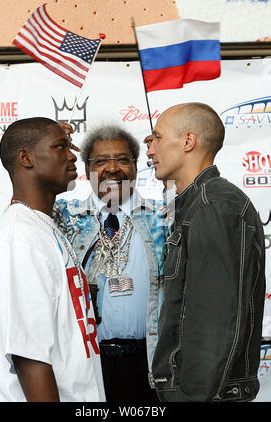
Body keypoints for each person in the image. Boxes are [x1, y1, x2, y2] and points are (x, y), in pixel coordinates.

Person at [145, 102, 266, 402]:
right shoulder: (198, 204)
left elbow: (214, 323)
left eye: (157, 138)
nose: (149, 151)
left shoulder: (215, 206)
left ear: (188, 141)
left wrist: (192, 396)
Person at [0, 117, 105, 402]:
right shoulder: (20, 239)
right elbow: (30, 358)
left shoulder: (41, 227)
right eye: (60, 147)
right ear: (26, 158)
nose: (72, 155)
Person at [53, 124, 165, 402]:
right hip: (88, 362)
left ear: (138, 167)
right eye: (101, 161)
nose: (112, 168)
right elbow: (24, 207)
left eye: (123, 159)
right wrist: (51, 141)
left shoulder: (163, 218)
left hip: (150, 363)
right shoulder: (65, 217)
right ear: (87, 169)